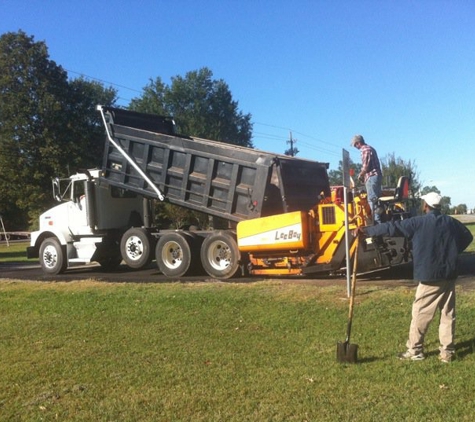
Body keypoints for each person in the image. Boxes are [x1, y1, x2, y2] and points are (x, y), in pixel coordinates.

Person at [354, 192, 473, 362]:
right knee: (448, 313)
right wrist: (452, 251)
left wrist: (367, 230)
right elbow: (468, 236)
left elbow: (392, 227)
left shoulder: (418, 222)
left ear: (425, 205)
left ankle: (415, 350)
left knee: (421, 313)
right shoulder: (451, 222)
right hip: (449, 274)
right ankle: (447, 352)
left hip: (430, 276)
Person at [351, 134, 383, 223]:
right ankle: (378, 220)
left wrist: (360, 175)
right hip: (376, 176)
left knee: (372, 199)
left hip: (372, 176)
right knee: (375, 199)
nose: (355, 147)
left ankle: (377, 223)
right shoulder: (371, 148)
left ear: (358, 143)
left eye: (354, 145)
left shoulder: (365, 150)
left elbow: (366, 167)